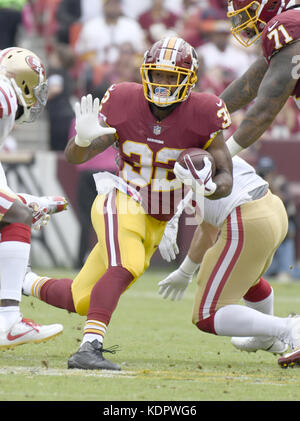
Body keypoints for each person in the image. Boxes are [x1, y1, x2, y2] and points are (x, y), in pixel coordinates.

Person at [23, 36, 233, 370]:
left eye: (171, 76)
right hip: (120, 199)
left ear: (189, 80)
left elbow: (226, 178)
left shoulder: (205, 111)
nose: (163, 83)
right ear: (145, 72)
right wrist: (83, 138)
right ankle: (89, 348)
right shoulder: (123, 98)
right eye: (157, 74)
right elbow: (75, 157)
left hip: (156, 219)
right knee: (125, 266)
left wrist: (208, 186)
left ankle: (22, 280)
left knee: (83, 299)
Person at [158, 155, 300, 369]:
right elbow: (208, 227)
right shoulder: (219, 149)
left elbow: (207, 232)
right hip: (273, 208)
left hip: (248, 220)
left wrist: (186, 272)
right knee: (247, 280)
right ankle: (268, 339)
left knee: (206, 314)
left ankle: (290, 328)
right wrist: (185, 272)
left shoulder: (190, 160)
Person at [0, 46, 66, 349]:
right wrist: (24, 206)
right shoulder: (5, 93)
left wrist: (31, 202)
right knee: (17, 217)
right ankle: (8, 321)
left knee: (15, 215)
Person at [219, 0, 300, 156]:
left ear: (270, 5)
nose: (244, 25)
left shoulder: (288, 25)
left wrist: (222, 156)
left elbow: (265, 110)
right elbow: (249, 84)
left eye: (246, 15)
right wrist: (208, 114)